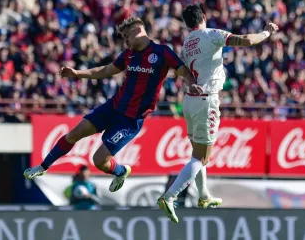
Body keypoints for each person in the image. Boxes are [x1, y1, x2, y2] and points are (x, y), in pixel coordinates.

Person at [24, 17, 202, 193]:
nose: (125, 42)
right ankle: (43, 166)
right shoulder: (129, 54)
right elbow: (106, 70)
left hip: (130, 121)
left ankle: (121, 171)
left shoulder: (162, 52)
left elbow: (182, 71)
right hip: (112, 107)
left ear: (137, 31)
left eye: (126, 37)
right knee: (74, 134)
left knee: (99, 160)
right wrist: (77, 73)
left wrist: (191, 84)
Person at [157, 5, 279, 223]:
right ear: (204, 16)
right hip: (207, 99)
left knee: (197, 153)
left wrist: (192, 84)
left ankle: (204, 196)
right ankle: (170, 195)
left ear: (187, 23)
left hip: (190, 100)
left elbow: (182, 71)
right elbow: (246, 41)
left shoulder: (188, 42)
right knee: (202, 157)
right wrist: (267, 33)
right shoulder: (211, 34)